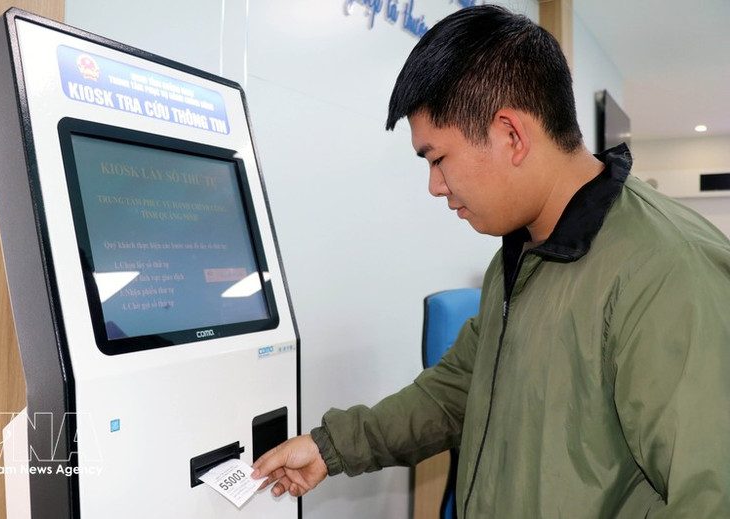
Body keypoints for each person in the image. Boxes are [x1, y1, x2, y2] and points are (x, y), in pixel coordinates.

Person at [252, 5, 730, 518]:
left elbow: (710, 496)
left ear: (511, 135)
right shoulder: (522, 254)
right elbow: (460, 386)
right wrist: (331, 447)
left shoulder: (668, 272)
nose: (435, 186)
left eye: (437, 159)